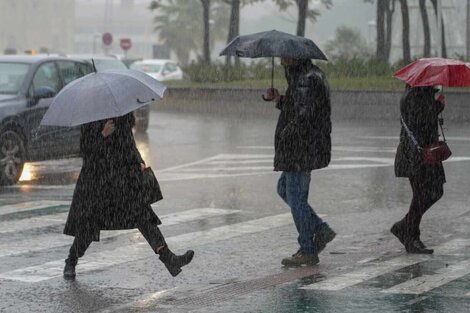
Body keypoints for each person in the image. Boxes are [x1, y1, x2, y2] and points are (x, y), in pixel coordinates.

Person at [63, 112, 194, 279]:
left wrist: (138, 159)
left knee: (143, 216)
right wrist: (103, 134)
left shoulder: (121, 113)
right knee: (89, 226)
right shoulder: (91, 116)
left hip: (123, 179)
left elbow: (129, 143)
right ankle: (71, 260)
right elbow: (86, 153)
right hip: (97, 182)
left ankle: (169, 259)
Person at [264, 58, 336, 266]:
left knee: (295, 196)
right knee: (284, 188)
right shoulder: (304, 77)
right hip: (303, 147)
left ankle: (307, 248)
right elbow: (299, 106)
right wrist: (279, 99)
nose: (279, 60)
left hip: (300, 148)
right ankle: (320, 229)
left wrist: (288, 133)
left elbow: (304, 115)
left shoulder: (305, 79)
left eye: (283, 56)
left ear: (294, 57)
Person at [391, 85, 446, 254]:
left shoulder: (420, 93)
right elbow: (419, 121)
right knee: (423, 193)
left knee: (432, 191)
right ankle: (411, 236)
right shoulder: (414, 95)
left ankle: (405, 228)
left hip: (424, 152)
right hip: (416, 154)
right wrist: (437, 107)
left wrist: (436, 107)